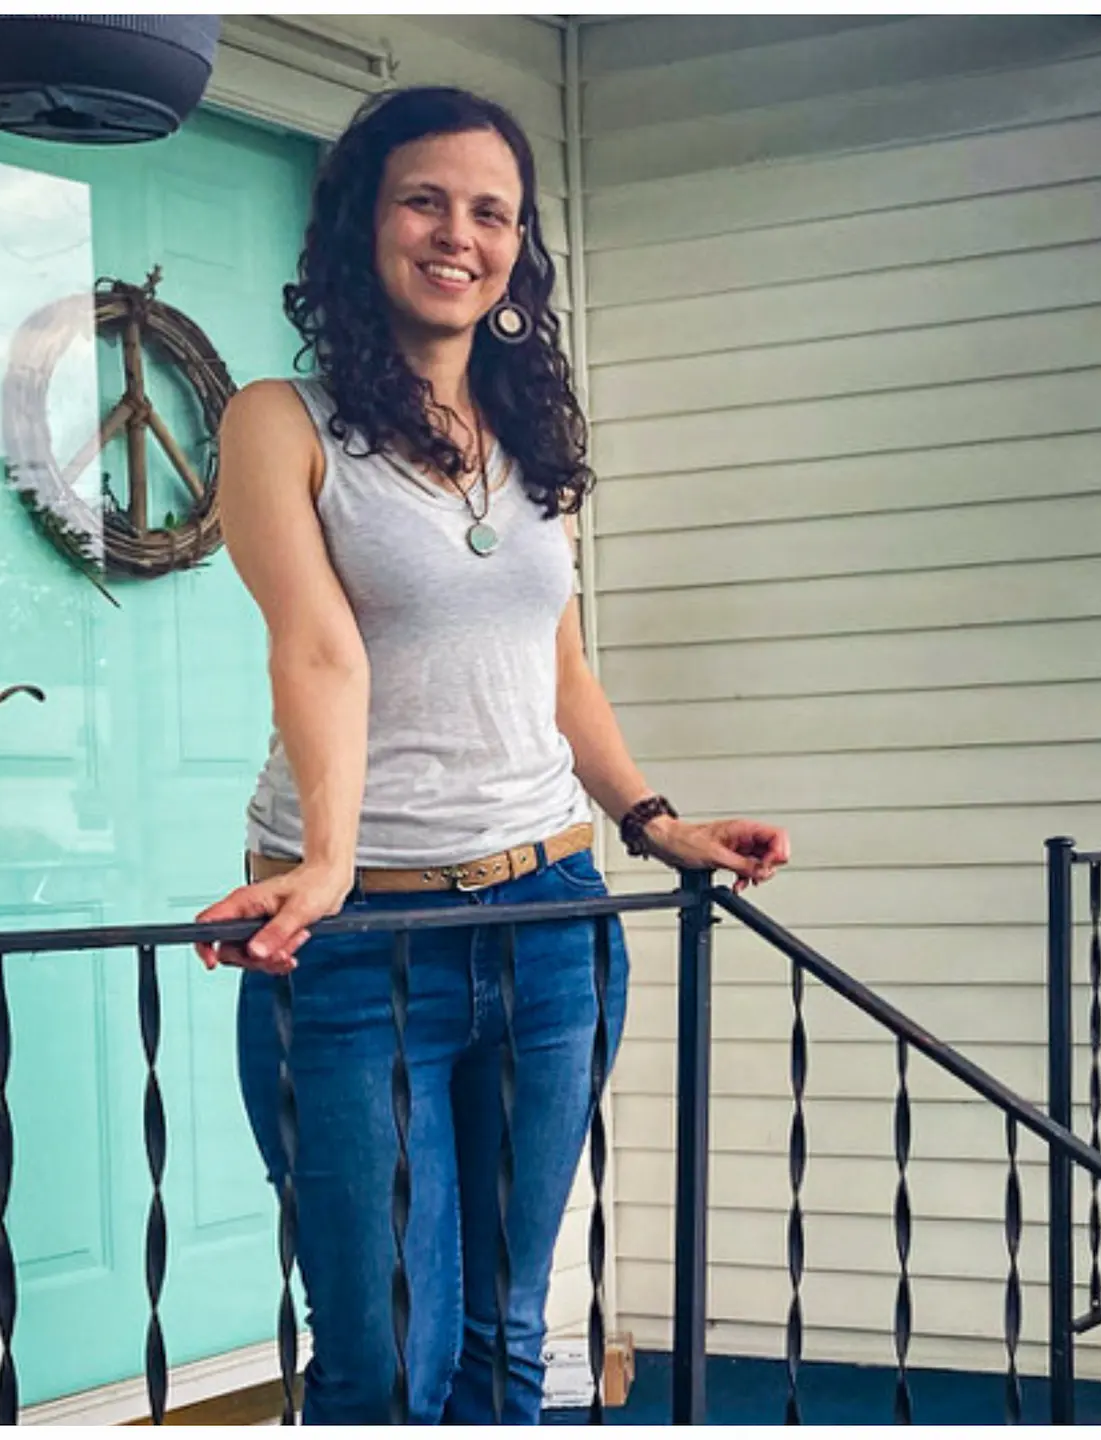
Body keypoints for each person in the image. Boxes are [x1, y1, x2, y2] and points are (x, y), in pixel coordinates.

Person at [191, 85, 791, 1425]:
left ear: (519, 248)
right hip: (364, 947)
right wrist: (331, 864)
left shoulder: (529, 443)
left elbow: (559, 670)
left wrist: (653, 820)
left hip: (551, 925)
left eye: (492, 210)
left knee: (505, 1343)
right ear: (362, 223)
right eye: (425, 199)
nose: (458, 233)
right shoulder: (279, 423)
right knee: (385, 1363)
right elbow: (319, 650)